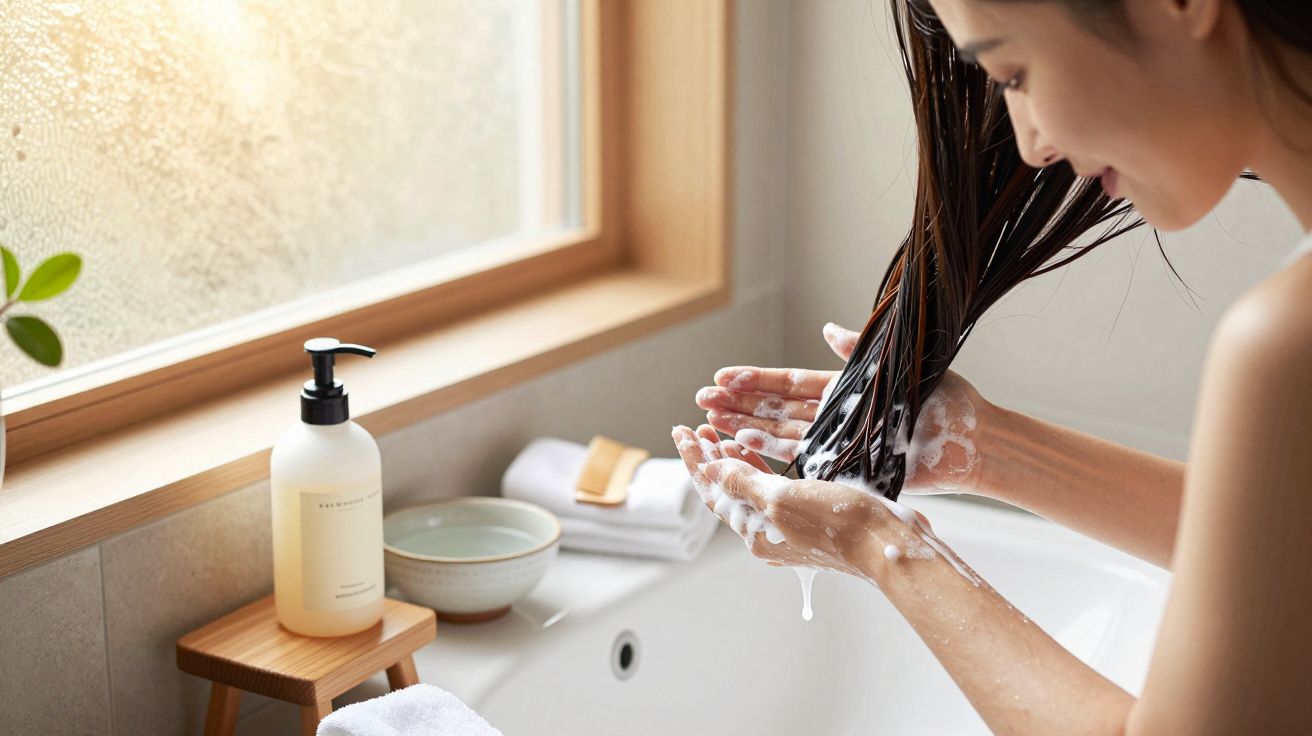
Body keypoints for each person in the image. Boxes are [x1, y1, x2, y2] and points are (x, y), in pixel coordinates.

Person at [672, 0, 1312, 732]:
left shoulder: (1285, 344)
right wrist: (987, 447)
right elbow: (1287, 544)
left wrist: (877, 543)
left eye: (1013, 73)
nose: (1030, 145)